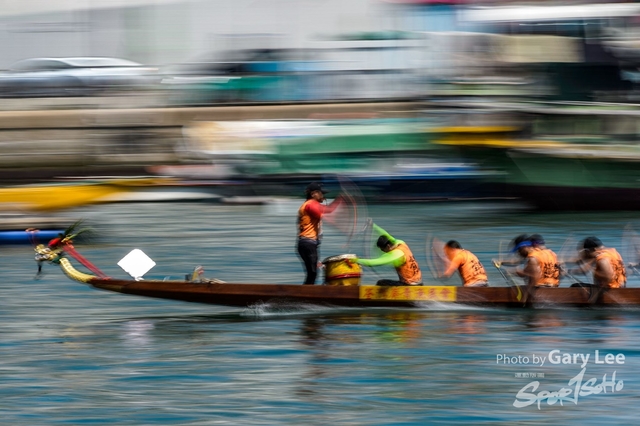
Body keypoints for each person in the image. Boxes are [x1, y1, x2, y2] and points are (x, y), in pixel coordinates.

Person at [297, 182, 343, 285]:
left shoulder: (307, 204)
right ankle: (305, 296)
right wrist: (341, 199)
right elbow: (329, 210)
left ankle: (305, 295)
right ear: (313, 194)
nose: (323, 196)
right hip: (308, 244)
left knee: (312, 273)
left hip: (306, 244)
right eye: (321, 193)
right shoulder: (310, 204)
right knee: (312, 273)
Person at [351, 223, 422, 286]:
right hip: (419, 282)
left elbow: (372, 263)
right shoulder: (401, 243)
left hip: (410, 285)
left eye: (382, 249)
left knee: (381, 283)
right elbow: (386, 235)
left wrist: (356, 260)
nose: (383, 251)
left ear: (388, 246)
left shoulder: (395, 254)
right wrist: (373, 226)